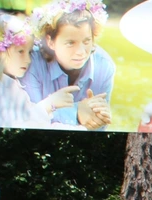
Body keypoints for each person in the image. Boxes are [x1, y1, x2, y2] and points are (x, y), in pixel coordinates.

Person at [0, 13, 78, 128]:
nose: (28, 60)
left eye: (29, 52)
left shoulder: (12, 87)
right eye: (20, 51)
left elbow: (37, 124)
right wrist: (49, 104)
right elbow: (16, 127)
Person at [23, 0, 115, 130]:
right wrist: (77, 111)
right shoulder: (32, 62)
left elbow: (98, 122)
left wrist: (95, 116)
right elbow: (30, 118)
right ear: (50, 41)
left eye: (87, 41)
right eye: (70, 43)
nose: (81, 52)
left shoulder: (104, 67)